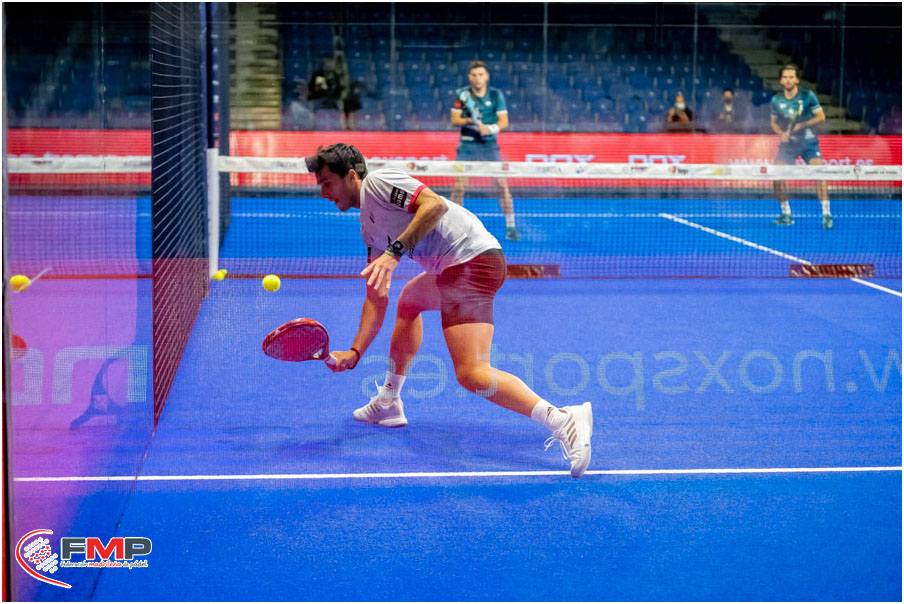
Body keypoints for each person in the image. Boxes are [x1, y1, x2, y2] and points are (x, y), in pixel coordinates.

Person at [304, 143, 593, 477]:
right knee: (409, 302)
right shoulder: (369, 229)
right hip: (457, 266)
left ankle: (562, 419)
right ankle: (388, 401)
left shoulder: (379, 183)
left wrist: (395, 252)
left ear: (351, 176)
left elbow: (434, 205)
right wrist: (355, 352)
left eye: (327, 183)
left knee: (471, 372)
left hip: (471, 261)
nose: (323, 193)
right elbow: (375, 296)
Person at [450, 60, 521, 242]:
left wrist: (489, 129)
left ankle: (511, 227)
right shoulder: (461, 95)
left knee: (502, 185)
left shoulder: (496, 95)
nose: (477, 78)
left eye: (481, 74)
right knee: (459, 187)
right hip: (467, 145)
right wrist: (471, 122)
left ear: (486, 76)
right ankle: (454, 227)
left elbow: (504, 121)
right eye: (474, 75)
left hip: (489, 146)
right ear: (470, 77)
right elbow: (455, 119)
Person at [769, 64, 832, 229]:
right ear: (781, 80)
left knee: (819, 173)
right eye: (785, 77)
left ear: (797, 80)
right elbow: (773, 123)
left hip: (808, 142)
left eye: (791, 77)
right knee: (776, 176)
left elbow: (821, 116)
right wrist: (781, 134)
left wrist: (802, 124)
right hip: (788, 144)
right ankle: (786, 214)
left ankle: (826, 214)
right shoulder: (776, 100)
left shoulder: (807, 96)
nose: (788, 80)